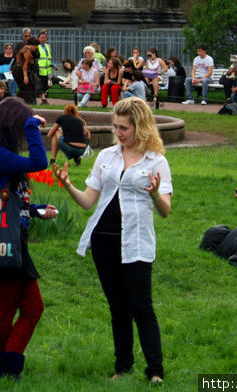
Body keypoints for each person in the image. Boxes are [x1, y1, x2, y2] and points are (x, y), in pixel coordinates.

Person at [52, 97, 171, 383]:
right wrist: (68, 185)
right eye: (116, 127)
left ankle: (155, 371)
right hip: (104, 241)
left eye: (124, 128)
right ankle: (123, 366)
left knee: (141, 306)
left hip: (136, 242)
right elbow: (88, 202)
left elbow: (165, 210)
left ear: (140, 128)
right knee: (117, 307)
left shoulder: (156, 161)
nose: (118, 133)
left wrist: (155, 194)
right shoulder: (107, 156)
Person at [0, 96, 57, 380]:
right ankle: (2, 368)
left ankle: (1, 366)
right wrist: (33, 125)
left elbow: (9, 198)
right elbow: (40, 161)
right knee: (12, 308)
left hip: (12, 240)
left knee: (25, 308)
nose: (25, 134)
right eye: (22, 128)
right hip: (4, 242)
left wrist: (34, 210)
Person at [35, 30, 53, 105]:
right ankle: (43, 100)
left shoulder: (47, 46)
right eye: (41, 37)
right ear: (38, 38)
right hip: (39, 69)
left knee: (45, 86)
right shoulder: (36, 46)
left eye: (44, 38)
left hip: (46, 69)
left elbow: (49, 57)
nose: (43, 39)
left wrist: (53, 64)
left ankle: (43, 100)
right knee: (40, 85)